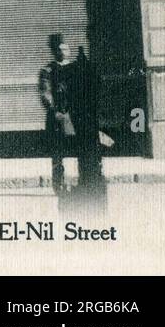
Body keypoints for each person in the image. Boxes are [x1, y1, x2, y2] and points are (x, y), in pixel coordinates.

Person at [68, 45, 108, 210]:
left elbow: (71, 97)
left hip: (81, 119)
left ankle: (86, 181)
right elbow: (99, 92)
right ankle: (94, 181)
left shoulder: (75, 75)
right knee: (93, 150)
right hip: (91, 118)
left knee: (83, 151)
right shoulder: (93, 73)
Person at [39, 33, 74, 196]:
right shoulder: (47, 71)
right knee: (57, 153)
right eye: (60, 49)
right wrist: (55, 111)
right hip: (58, 117)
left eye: (66, 48)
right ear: (55, 51)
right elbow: (45, 93)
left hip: (75, 115)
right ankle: (58, 184)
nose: (64, 51)